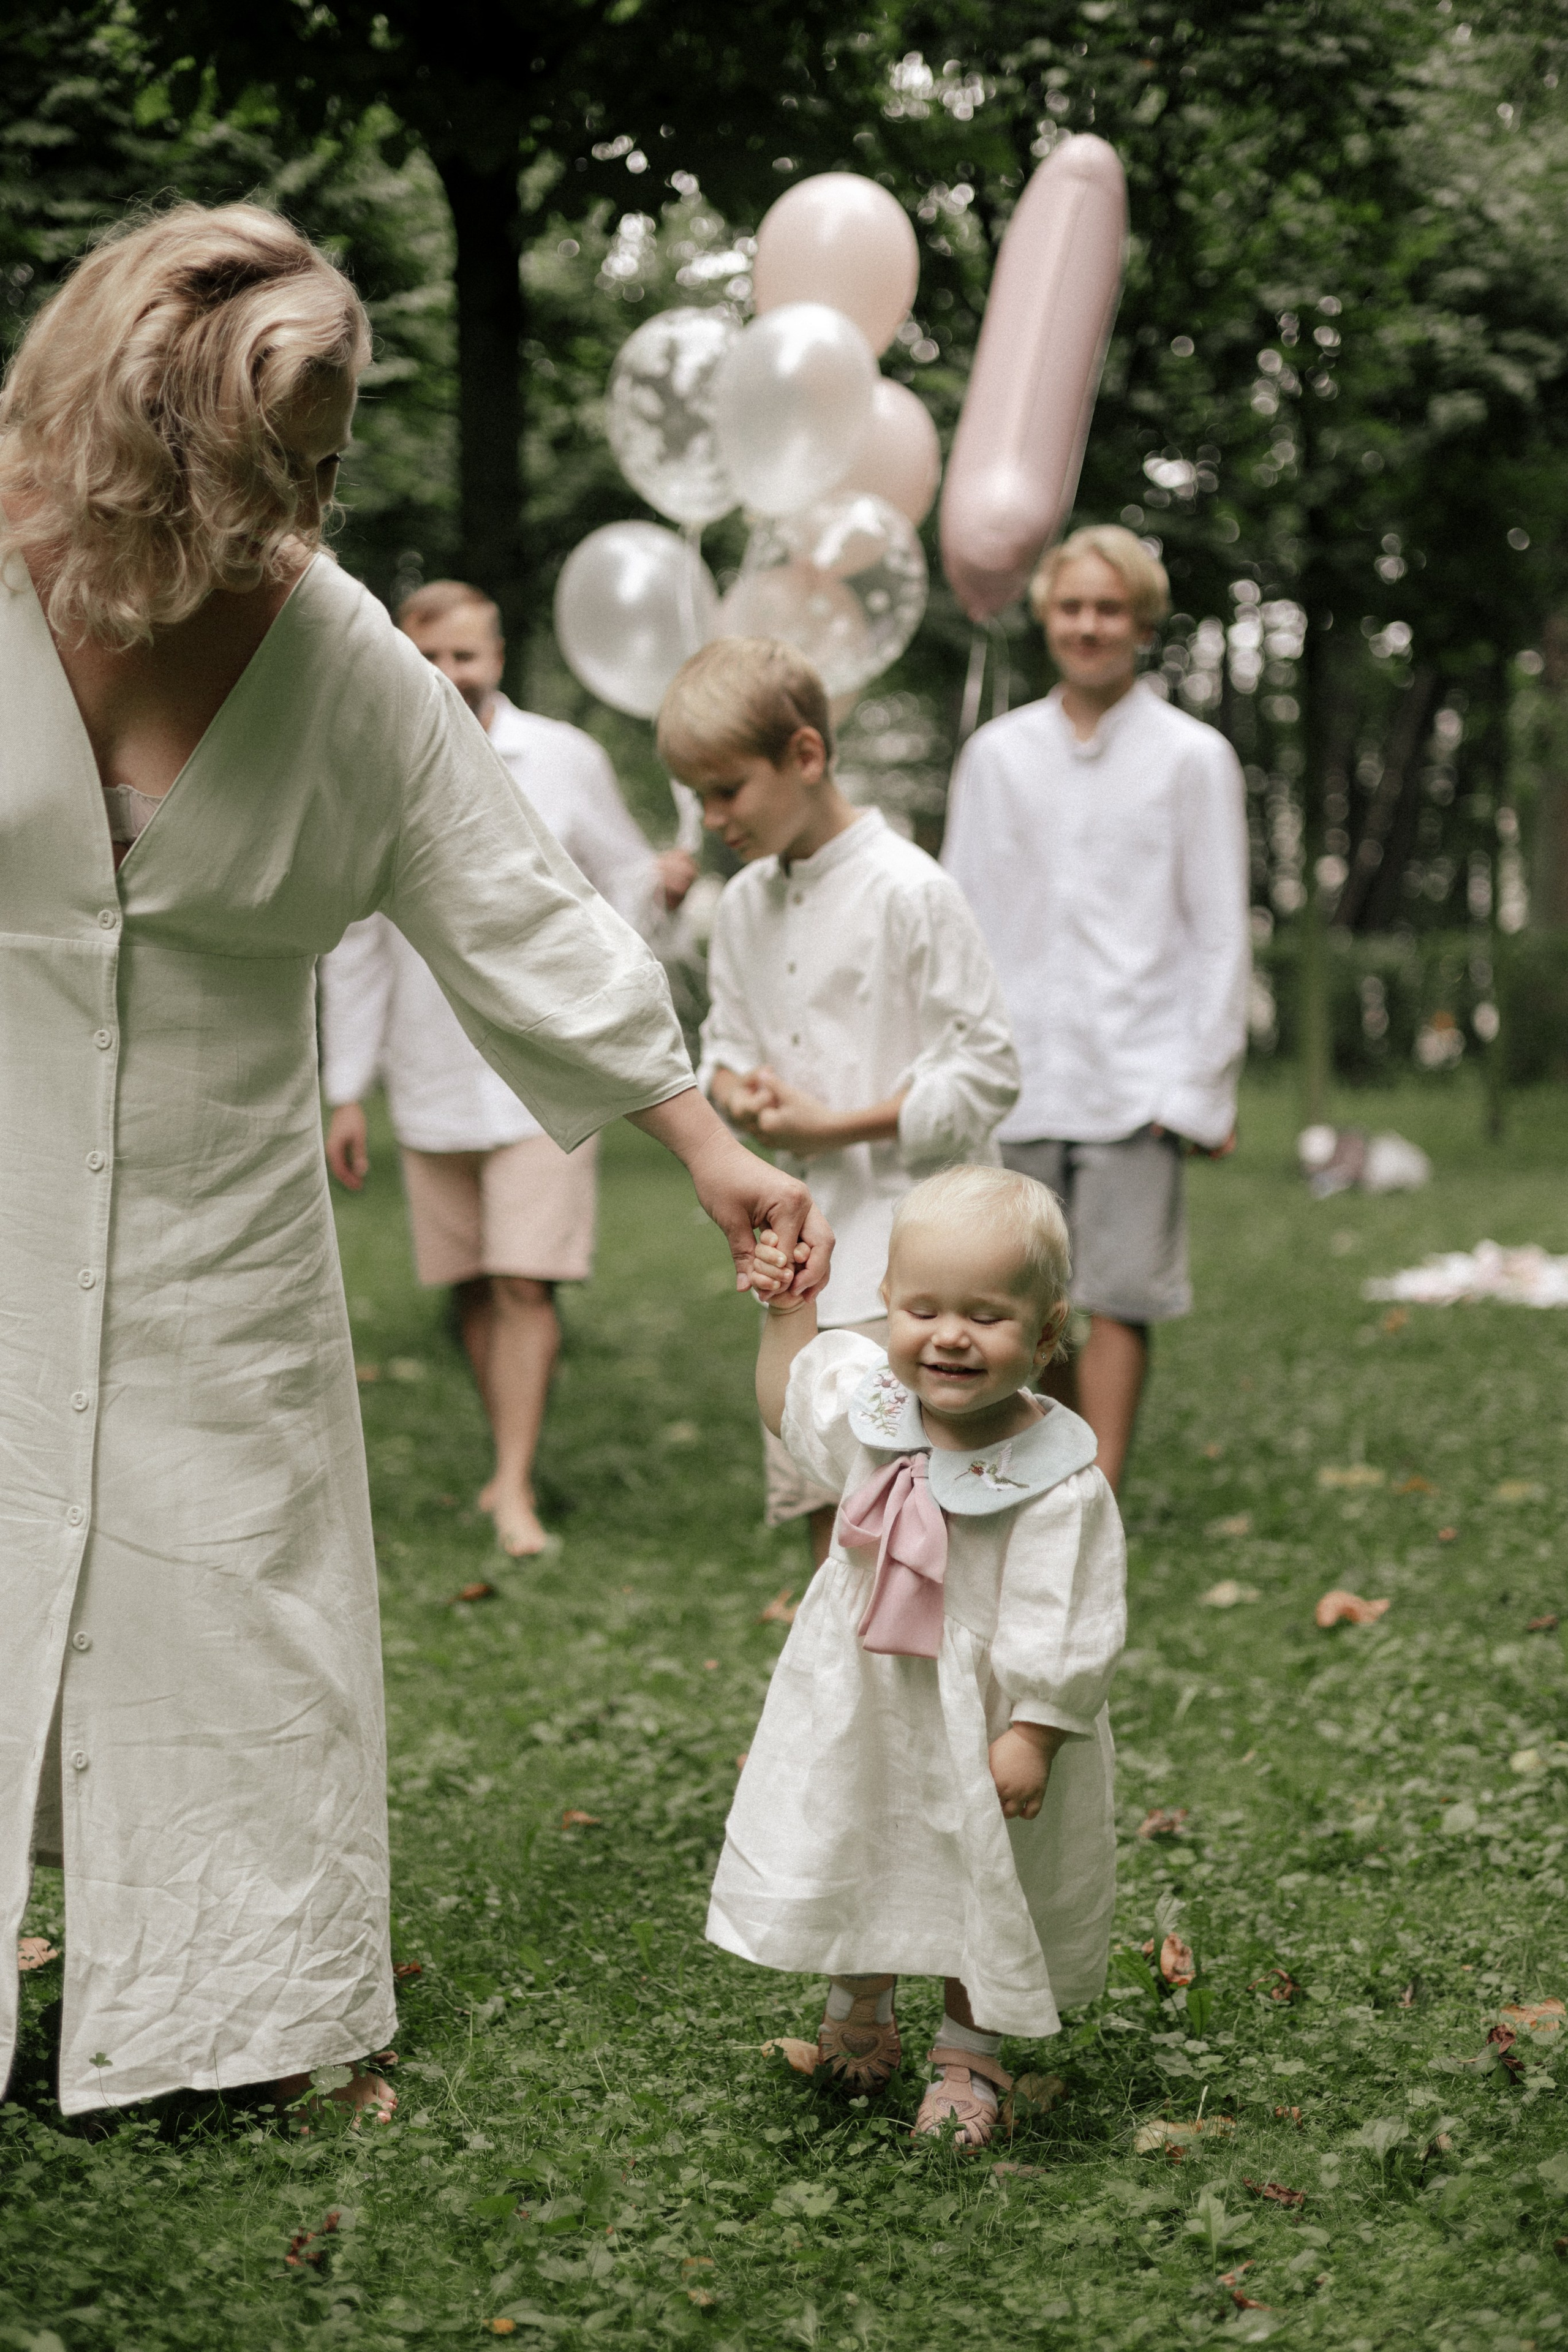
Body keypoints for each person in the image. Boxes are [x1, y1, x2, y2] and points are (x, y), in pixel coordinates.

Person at [0, 202, 829, 2124]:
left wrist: (706, 1149)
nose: (302, 505)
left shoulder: (335, 640)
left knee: (236, 1583)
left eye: (323, 458)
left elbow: (509, 901)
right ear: (146, 421)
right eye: (266, 458)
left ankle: (256, 2010)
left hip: (222, 1204)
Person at [707, 1167, 1126, 2149]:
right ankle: (861, 1999)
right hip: (865, 1693)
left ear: (1047, 1332)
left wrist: (1035, 1727)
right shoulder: (875, 1412)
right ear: (888, 1304)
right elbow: (791, 1405)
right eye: (925, 1308)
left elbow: (1069, 1616)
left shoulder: (1055, 1485)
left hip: (986, 1718)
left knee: (989, 1869)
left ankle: (966, 2043)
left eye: (987, 1316)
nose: (950, 1335)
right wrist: (792, 1314)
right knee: (863, 1827)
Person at [321, 579, 698, 1558]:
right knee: (477, 1285)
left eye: (469, 657)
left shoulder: (564, 761)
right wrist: (345, 1089)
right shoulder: (372, 763)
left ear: (497, 658)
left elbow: (617, 885)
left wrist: (659, 886)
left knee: (528, 1283)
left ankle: (515, 1483)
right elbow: (356, 943)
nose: (450, 676)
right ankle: (505, 1459)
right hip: (429, 1068)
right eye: (430, 656)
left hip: (548, 1064)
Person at [659, 636, 1020, 1568]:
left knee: (926, 1513)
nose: (711, 818)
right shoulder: (740, 908)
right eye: (698, 797)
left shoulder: (912, 891)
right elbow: (727, 1050)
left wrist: (840, 1123)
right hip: (804, 1263)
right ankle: (840, 1693)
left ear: (807, 756)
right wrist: (738, 1094)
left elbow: (987, 1067)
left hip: (919, 1256)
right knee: (829, 1495)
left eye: (728, 790)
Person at [941, 526, 1250, 1491]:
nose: (1088, 625)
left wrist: (1196, 1083)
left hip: (1138, 1068)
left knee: (1117, 1293)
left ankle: (1097, 1490)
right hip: (1018, 1069)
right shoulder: (997, 756)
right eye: (1072, 606)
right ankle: (1044, 1470)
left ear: (1144, 623)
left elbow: (1217, 931)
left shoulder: (1192, 758)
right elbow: (960, 913)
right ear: (1046, 618)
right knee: (1027, 1297)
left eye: (1109, 609)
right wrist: (959, 1057)